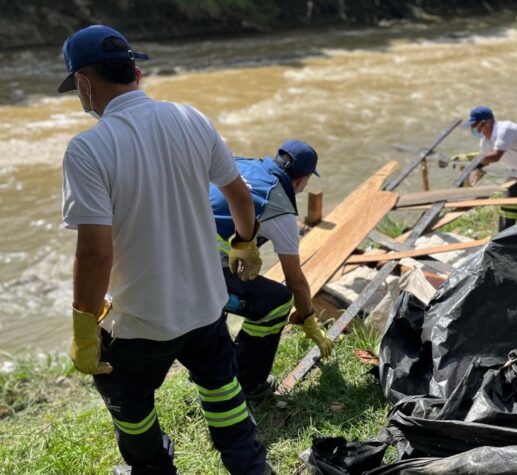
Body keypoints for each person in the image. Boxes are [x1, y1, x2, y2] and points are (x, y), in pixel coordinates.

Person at [59, 25, 270, 474]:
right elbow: (240, 195)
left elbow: (95, 254)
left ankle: (153, 467)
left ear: (83, 83)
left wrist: (83, 327)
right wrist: (246, 243)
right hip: (205, 306)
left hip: (137, 323)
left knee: (132, 411)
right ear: (135, 71)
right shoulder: (190, 117)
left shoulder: (88, 149)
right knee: (221, 390)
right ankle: (249, 465)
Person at [210, 140, 334, 400]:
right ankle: (248, 382)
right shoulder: (280, 209)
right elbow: (295, 280)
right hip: (196, 274)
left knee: (235, 283)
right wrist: (309, 320)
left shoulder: (241, 163)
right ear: (301, 180)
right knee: (277, 302)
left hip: (167, 254)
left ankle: (212, 363)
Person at [457, 106, 517, 232]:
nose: (473, 129)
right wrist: (468, 184)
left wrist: (473, 161)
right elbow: (483, 165)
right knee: (508, 205)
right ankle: (503, 238)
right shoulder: (485, 143)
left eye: (475, 125)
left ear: (486, 122)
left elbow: (495, 156)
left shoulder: (505, 129)